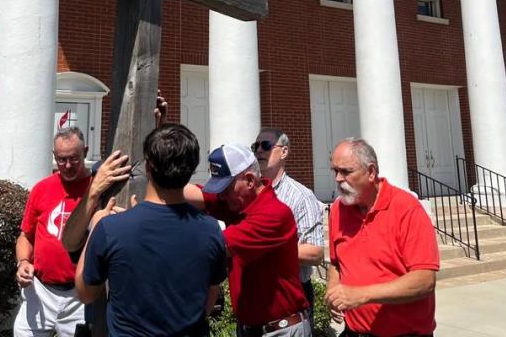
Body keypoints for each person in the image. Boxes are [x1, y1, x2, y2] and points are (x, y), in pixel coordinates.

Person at [74, 124, 227, 336]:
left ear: (148, 167)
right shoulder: (211, 230)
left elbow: (85, 292)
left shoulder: (111, 229)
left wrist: (96, 225)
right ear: (192, 170)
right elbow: (207, 304)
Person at [13, 126, 131, 337]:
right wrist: (23, 262)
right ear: (54, 156)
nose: (67, 165)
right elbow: (25, 236)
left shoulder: (99, 187)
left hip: (79, 294)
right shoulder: (41, 188)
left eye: (74, 159)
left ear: (85, 151)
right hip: (40, 291)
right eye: (61, 159)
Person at [185, 142, 311, 337]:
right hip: (251, 328)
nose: (221, 196)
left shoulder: (273, 215)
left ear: (250, 180)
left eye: (225, 189)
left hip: (281, 331)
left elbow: (210, 247)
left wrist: (141, 232)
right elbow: (186, 193)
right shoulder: (236, 202)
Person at [325, 138, 439, 337]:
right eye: (335, 171)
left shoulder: (406, 208)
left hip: (404, 333)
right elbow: (336, 263)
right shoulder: (338, 209)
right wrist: (334, 289)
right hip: (354, 332)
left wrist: (361, 295)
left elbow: (424, 280)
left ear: (371, 172)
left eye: (346, 172)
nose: (338, 179)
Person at [253, 128, 324, 315]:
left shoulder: (301, 197)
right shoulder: (249, 192)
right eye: (256, 146)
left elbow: (315, 253)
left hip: (289, 298)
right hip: (254, 296)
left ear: (284, 152)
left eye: (266, 145)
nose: (259, 150)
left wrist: (265, 248)